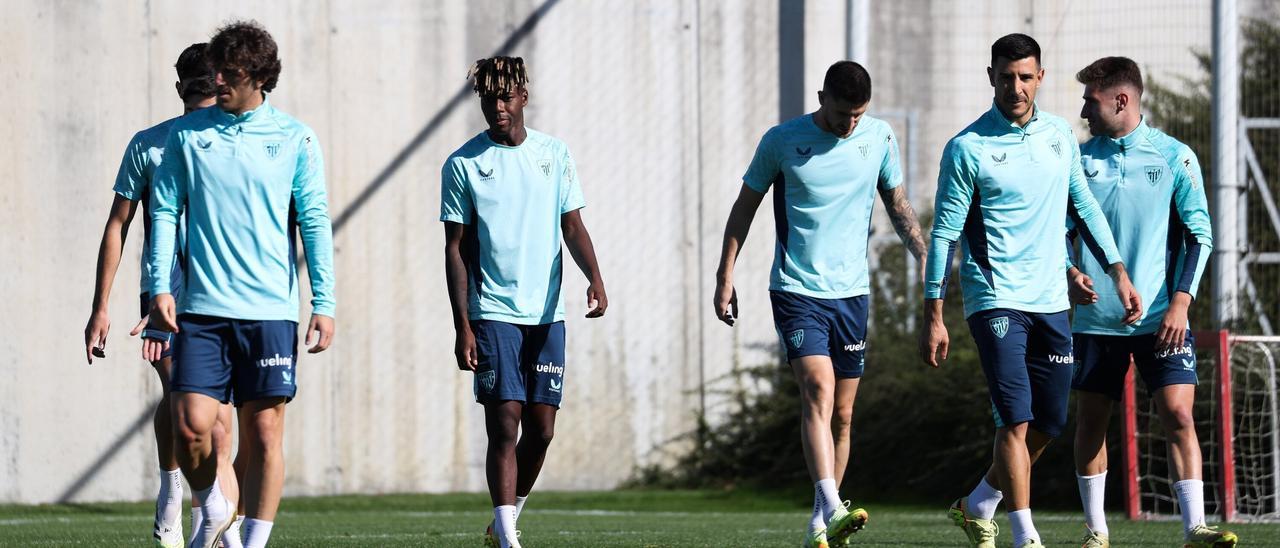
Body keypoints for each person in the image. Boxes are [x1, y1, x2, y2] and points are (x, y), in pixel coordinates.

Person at [919, 34, 1141, 548]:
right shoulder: (967, 147)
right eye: (1005, 76)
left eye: (1025, 76)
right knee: (1014, 420)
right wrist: (933, 313)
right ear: (991, 75)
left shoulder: (1060, 135)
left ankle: (978, 503)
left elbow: (1083, 207)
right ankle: (1024, 535)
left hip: (1051, 302)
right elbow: (945, 235)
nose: (1015, 86)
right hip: (995, 299)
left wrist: (1118, 273)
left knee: (1050, 421)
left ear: (1040, 77)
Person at [713, 60, 927, 548]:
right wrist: (725, 274)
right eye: (841, 112)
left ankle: (818, 524)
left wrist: (923, 255)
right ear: (820, 96)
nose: (849, 123)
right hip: (795, 288)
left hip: (851, 293)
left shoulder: (878, 138)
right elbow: (744, 207)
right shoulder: (782, 140)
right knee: (817, 387)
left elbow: (896, 202)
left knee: (845, 415)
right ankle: (835, 505)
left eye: (858, 114)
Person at [147, 20, 336, 548]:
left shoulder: (295, 137)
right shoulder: (185, 136)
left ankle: (252, 543)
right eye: (217, 70)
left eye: (230, 72)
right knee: (191, 425)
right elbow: (163, 210)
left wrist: (325, 301)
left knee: (264, 433)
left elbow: (315, 220)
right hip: (201, 310)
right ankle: (212, 504)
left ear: (258, 77)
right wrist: (160, 285)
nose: (218, 80)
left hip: (270, 310)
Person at [1068, 56, 1236, 548]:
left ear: (1121, 100)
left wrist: (1181, 303)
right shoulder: (1078, 160)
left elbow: (1199, 236)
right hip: (1097, 318)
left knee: (1179, 413)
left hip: (1164, 316)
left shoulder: (1174, 156)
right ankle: (1096, 532)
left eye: (1091, 100)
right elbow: (1058, 229)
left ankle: (1194, 528)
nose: (1083, 109)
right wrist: (1072, 271)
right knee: (1092, 420)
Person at [441, 56, 608, 548]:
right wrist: (463, 325)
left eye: (507, 97)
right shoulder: (464, 164)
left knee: (543, 428)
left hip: (547, 314)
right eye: (490, 98)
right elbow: (455, 250)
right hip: (493, 312)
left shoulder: (554, 155)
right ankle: (509, 535)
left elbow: (572, 226)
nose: (498, 106)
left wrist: (595, 278)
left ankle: (506, 518)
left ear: (523, 97)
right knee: (505, 421)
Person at [82, 42, 241, 548]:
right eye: (192, 86)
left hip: (228, 291)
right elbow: (118, 223)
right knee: (196, 409)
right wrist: (101, 306)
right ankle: (196, 512)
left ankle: (202, 512)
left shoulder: (240, 139)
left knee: (216, 419)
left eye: (209, 83)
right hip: (166, 294)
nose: (202, 94)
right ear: (179, 90)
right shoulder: (150, 144)